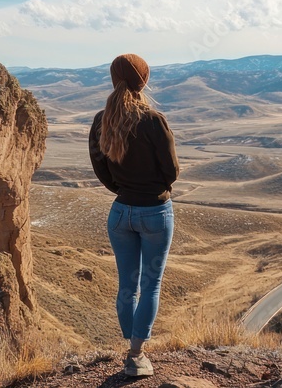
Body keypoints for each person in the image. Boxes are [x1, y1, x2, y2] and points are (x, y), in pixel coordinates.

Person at [88, 53, 180, 378]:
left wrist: (124, 190)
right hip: (155, 213)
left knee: (127, 284)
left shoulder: (102, 120)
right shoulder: (153, 121)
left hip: (120, 214)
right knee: (151, 285)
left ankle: (131, 347)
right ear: (144, 80)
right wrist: (151, 188)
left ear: (114, 80)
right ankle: (136, 356)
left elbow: (101, 169)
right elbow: (171, 171)